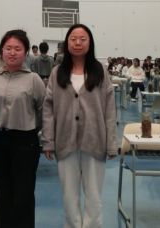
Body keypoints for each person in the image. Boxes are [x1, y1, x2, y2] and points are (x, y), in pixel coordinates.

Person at [42, 24, 117, 228]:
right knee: (69, 197)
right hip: (65, 141)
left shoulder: (100, 71)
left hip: (94, 141)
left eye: (82, 39)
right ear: (66, 43)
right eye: (73, 39)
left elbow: (110, 110)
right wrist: (48, 141)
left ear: (90, 43)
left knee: (94, 197)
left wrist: (112, 143)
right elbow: (48, 109)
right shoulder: (57, 72)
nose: (77, 43)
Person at [0, 30, 45, 228]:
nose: (12, 53)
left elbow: (43, 110)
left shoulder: (33, 79)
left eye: (18, 49)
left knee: (24, 194)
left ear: (26, 52)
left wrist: (36, 131)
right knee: (2, 192)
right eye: (8, 48)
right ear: (1, 51)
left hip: (25, 142)